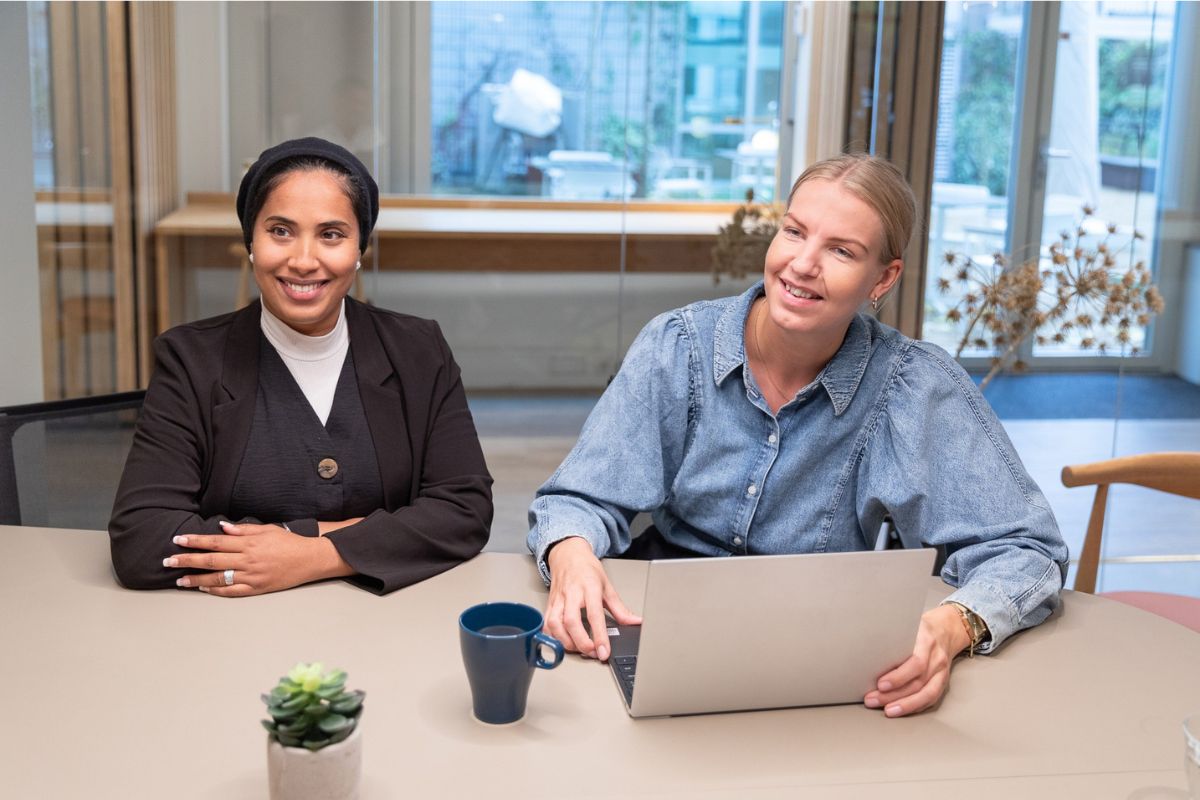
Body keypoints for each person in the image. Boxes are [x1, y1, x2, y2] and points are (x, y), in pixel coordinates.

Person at [527, 154, 1068, 718]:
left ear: (883, 278)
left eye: (841, 250)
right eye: (794, 232)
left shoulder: (913, 387)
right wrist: (570, 551)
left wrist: (954, 625)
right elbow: (578, 499)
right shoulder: (678, 346)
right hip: (657, 618)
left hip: (823, 651)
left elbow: (1028, 551)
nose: (802, 264)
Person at [109, 137, 492, 596]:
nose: (304, 261)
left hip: (383, 628)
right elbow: (141, 540)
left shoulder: (418, 350)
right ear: (251, 241)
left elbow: (465, 511)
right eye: (281, 231)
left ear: (359, 249)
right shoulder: (191, 360)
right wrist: (358, 531)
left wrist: (309, 554)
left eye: (331, 234)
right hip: (229, 634)